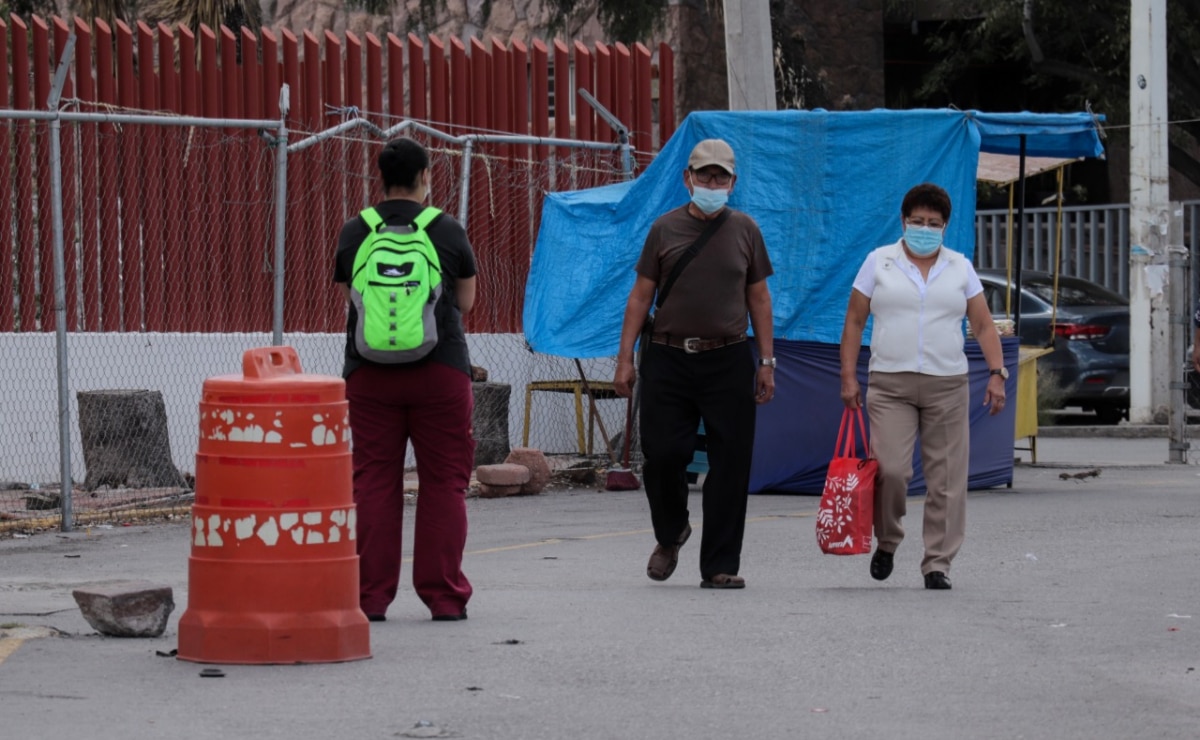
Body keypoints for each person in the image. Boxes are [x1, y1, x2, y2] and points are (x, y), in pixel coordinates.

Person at [613, 138, 776, 590]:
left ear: (732, 183)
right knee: (663, 454)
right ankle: (671, 532)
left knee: (731, 461)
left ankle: (720, 564)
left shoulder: (746, 230)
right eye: (704, 175)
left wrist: (766, 361)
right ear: (688, 179)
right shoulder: (663, 230)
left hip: (727, 357)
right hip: (667, 357)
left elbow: (759, 298)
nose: (711, 183)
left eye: (720, 176)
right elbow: (640, 296)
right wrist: (624, 358)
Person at [333, 138, 478, 622]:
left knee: (373, 479)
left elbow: (353, 302)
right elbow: (467, 303)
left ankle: (370, 598)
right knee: (444, 483)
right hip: (440, 372)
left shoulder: (357, 230)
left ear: (381, 177)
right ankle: (444, 597)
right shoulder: (447, 229)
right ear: (426, 176)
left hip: (370, 375)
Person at [838, 182, 1006, 591]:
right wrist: (847, 376)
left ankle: (938, 562)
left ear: (945, 226)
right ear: (903, 221)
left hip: (947, 385)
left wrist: (998, 373)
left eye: (933, 223)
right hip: (890, 384)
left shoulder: (960, 267)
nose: (924, 229)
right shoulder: (879, 262)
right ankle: (889, 539)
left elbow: (982, 325)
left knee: (946, 479)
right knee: (891, 470)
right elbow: (855, 321)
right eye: (917, 221)